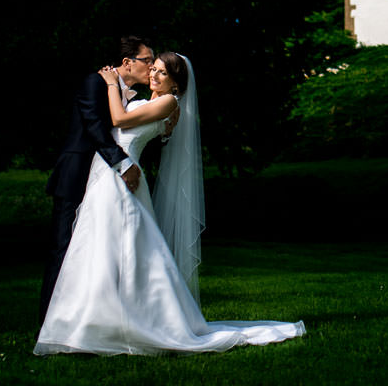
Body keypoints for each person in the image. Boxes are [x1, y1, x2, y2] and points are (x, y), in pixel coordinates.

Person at [34, 52, 305, 355]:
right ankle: (89, 322)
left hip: (120, 180)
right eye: (155, 70)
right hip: (106, 176)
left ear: (176, 83)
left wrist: (111, 83)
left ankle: (123, 323)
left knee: (121, 249)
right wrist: (120, 89)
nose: (155, 75)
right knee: (99, 248)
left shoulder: (169, 103)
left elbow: (118, 120)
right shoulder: (149, 101)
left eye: (163, 73)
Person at [39, 36, 155, 323]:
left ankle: (90, 317)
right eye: (147, 61)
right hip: (76, 174)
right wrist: (123, 163)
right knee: (63, 248)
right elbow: (94, 126)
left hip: (103, 182)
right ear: (127, 63)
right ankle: (49, 323)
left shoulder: (127, 93)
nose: (152, 68)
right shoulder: (95, 82)